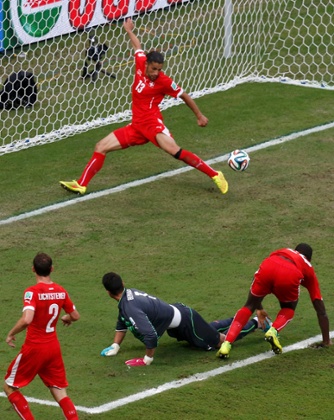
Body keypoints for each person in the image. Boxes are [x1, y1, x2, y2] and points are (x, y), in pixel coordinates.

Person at [60, 18, 228, 196]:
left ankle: (215, 174)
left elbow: (184, 96)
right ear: (147, 64)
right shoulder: (140, 63)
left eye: (159, 69)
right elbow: (137, 46)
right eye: (154, 69)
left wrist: (199, 115)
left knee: (174, 150)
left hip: (152, 124)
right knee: (101, 146)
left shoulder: (164, 81)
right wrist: (129, 30)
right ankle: (81, 184)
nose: (157, 73)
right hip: (137, 126)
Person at [100, 272, 269, 366]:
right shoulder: (128, 298)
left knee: (219, 341)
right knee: (209, 329)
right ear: (122, 282)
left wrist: (147, 359)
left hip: (186, 322)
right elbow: (122, 320)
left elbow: (150, 335)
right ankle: (239, 319)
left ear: (108, 292)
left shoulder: (130, 307)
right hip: (181, 318)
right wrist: (115, 345)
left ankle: (256, 322)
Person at [217, 243, 331, 359]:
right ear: (309, 259)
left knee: (248, 306)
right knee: (288, 308)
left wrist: (259, 308)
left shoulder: (282, 251)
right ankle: (273, 331)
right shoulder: (308, 267)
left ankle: (226, 344)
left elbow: (256, 279)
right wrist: (326, 341)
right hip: (289, 273)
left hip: (268, 265)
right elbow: (320, 309)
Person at [3, 253, 80, 420]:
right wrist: (66, 317)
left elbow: (27, 319)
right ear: (51, 269)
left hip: (34, 348)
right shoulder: (60, 291)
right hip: (53, 348)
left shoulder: (32, 292)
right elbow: (75, 315)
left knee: (9, 387)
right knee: (60, 392)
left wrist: (10, 334)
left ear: (33, 269)